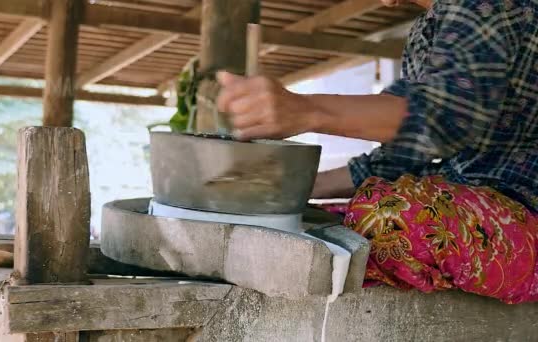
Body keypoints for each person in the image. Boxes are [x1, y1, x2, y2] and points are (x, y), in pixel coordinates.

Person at [216, 0, 538, 304]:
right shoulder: (427, 30)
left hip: (527, 220)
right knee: (310, 224)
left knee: (386, 218)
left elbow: (447, 117)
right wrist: (290, 190)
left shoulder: (485, 5)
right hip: (476, 211)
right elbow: (397, 160)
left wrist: (306, 110)